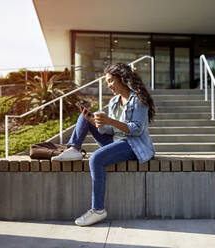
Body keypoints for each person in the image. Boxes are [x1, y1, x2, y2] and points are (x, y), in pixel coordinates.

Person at [51, 63, 156, 226]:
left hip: (133, 145)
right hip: (116, 140)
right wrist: (98, 123)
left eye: (111, 80)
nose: (108, 85)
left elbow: (136, 130)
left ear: (122, 78)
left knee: (96, 159)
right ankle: (74, 149)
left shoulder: (139, 100)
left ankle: (98, 210)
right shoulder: (114, 101)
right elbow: (110, 130)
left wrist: (110, 121)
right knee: (85, 117)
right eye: (107, 82)